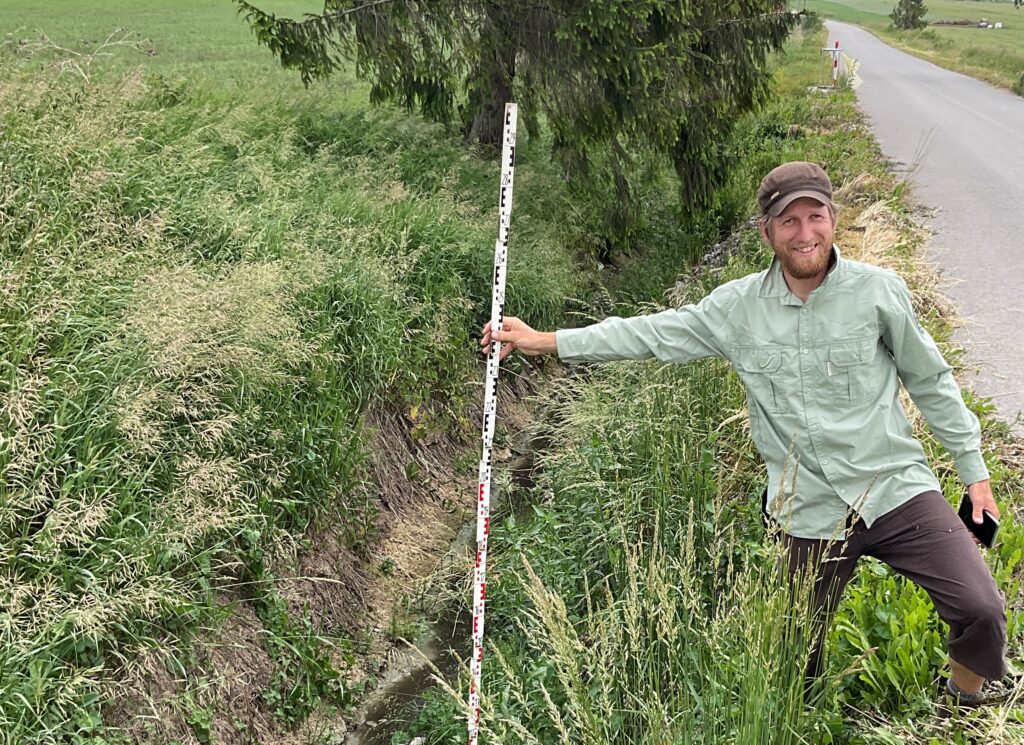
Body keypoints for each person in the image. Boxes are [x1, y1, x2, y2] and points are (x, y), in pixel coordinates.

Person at [480, 161, 1008, 705]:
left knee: (982, 609)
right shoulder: (736, 309)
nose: (805, 234)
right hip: (806, 508)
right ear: (766, 232)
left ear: (834, 219)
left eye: (815, 217)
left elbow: (931, 381)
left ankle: (963, 699)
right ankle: (800, 720)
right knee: (792, 659)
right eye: (789, 222)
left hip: (894, 486)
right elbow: (650, 334)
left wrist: (974, 474)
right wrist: (547, 340)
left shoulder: (878, 292)